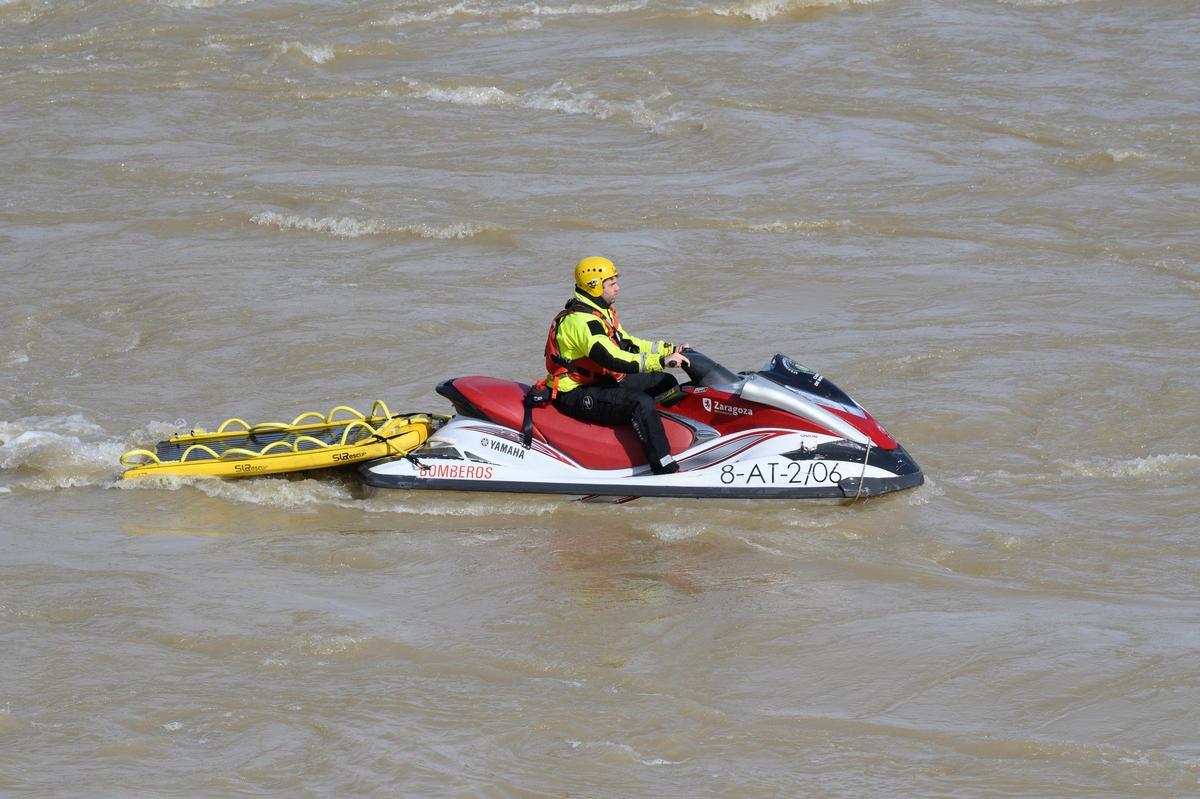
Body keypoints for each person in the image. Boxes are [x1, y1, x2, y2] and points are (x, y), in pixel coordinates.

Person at [541, 256, 690, 475]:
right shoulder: (581, 322)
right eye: (611, 284)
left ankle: (668, 437)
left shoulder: (601, 313)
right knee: (641, 403)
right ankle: (664, 466)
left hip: (600, 382)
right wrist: (660, 361)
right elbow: (613, 359)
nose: (617, 288)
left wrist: (669, 349)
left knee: (665, 381)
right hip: (574, 393)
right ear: (593, 286)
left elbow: (628, 344)